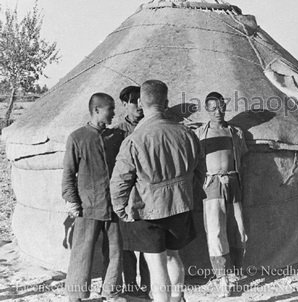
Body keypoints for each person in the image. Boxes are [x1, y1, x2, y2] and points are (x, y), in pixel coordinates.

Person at [110, 80, 201, 302]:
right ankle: (178, 299)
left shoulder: (135, 140)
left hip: (149, 210)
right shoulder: (187, 134)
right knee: (174, 257)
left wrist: (121, 209)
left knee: (155, 263)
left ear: (140, 102)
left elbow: (119, 181)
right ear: (167, 103)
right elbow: (200, 172)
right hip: (180, 205)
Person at [62, 93, 126, 302]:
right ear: (97, 110)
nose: (114, 113)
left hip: (113, 205)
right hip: (87, 206)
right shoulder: (77, 137)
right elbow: (68, 174)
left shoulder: (116, 137)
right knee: (82, 251)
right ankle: (76, 294)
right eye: (111, 109)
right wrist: (72, 201)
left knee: (115, 251)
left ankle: (110, 292)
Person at [195, 92, 248, 297]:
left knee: (238, 226)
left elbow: (242, 157)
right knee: (216, 229)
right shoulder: (200, 133)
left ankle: (236, 269)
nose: (219, 111)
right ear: (207, 110)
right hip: (211, 183)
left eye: (221, 106)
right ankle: (222, 275)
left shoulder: (235, 132)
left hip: (233, 181)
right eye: (213, 108)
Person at [113, 85, 150, 297]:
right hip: (127, 194)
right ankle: (130, 284)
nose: (139, 106)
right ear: (125, 105)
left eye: (142, 101)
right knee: (126, 243)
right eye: (134, 101)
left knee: (148, 239)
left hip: (147, 193)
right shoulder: (117, 132)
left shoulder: (151, 127)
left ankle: (147, 282)